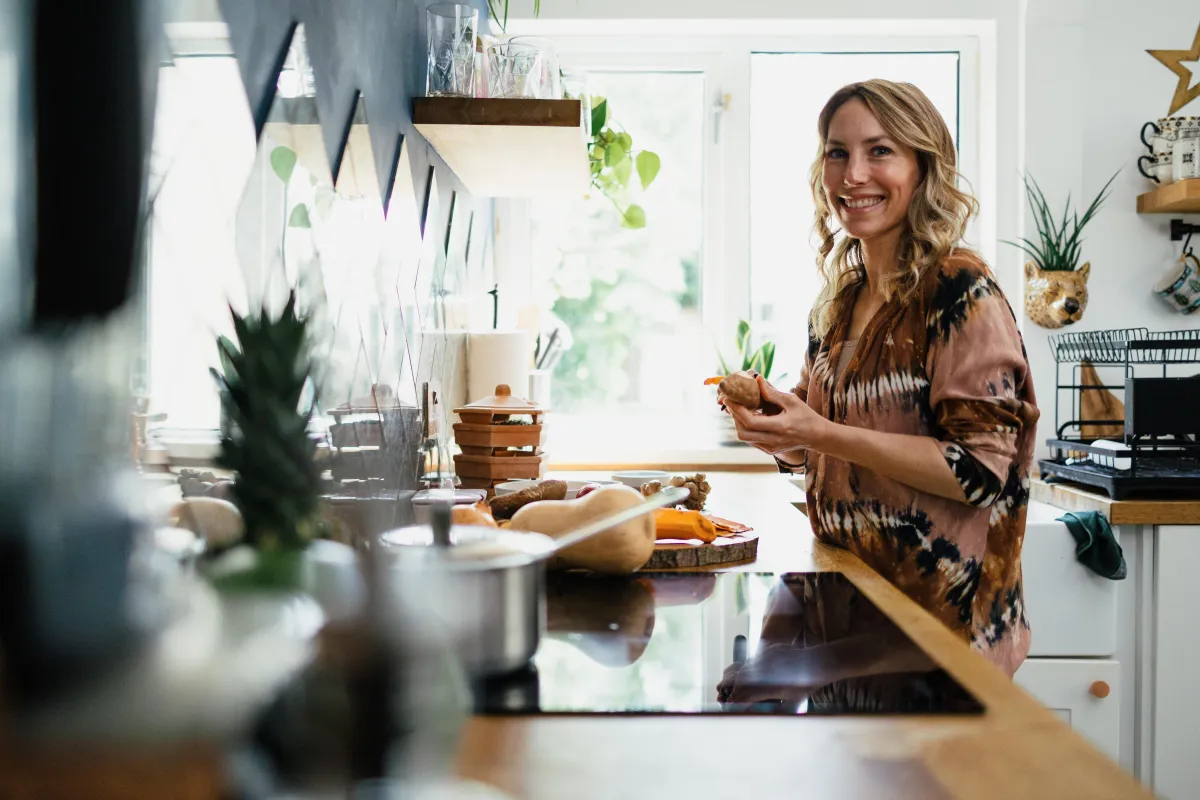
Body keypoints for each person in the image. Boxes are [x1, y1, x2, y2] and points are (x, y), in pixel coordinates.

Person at [725, 79, 1039, 677]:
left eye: (880, 151)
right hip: (850, 631)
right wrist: (785, 437)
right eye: (837, 152)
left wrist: (819, 434)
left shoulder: (958, 291)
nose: (853, 174)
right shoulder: (842, 299)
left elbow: (980, 472)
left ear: (924, 166)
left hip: (939, 643)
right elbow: (830, 450)